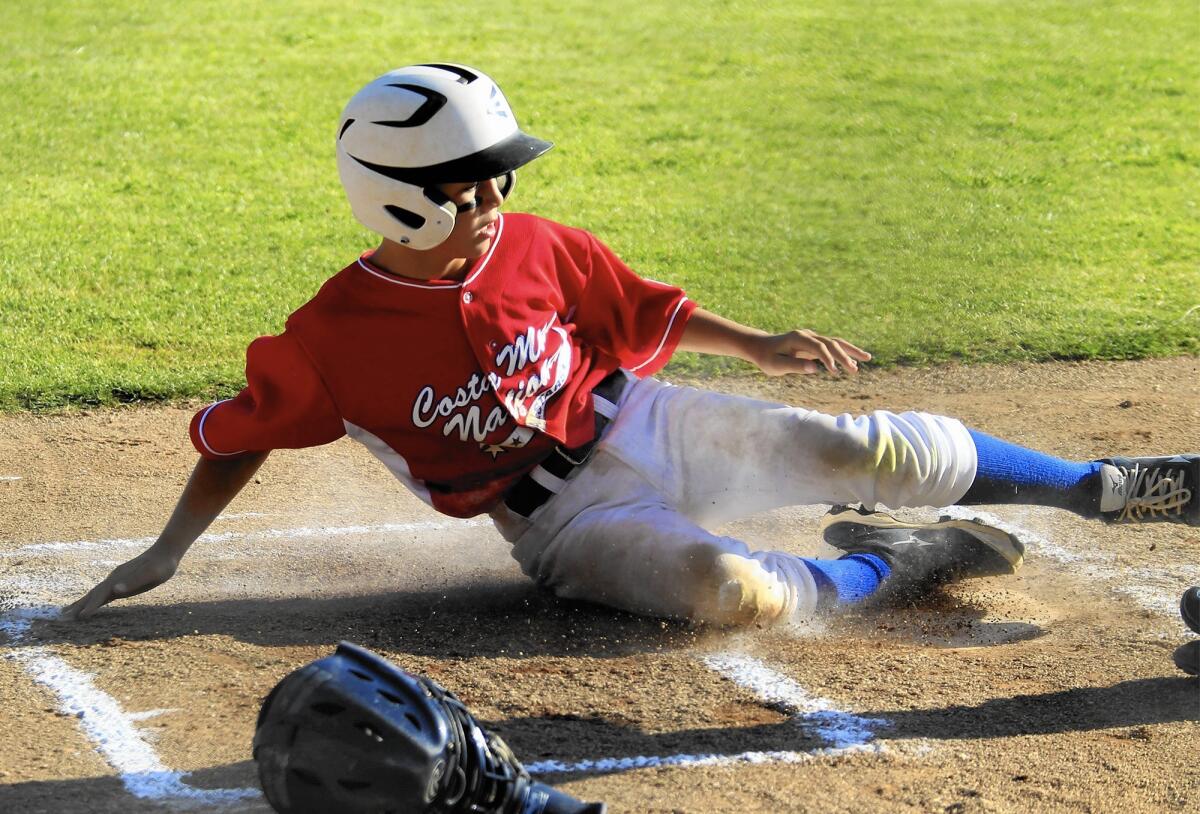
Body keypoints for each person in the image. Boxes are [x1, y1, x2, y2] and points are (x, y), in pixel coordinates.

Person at [64, 64, 1199, 627]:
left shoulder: (536, 244)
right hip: (561, 520)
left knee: (869, 447)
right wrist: (170, 551)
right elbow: (236, 437)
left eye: (502, 172)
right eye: (472, 181)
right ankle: (897, 564)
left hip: (647, 417)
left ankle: (1111, 488)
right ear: (397, 201)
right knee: (734, 592)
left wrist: (753, 345)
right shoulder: (328, 339)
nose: (499, 193)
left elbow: (633, 311)